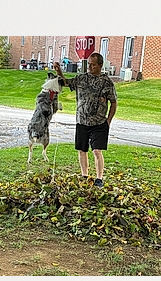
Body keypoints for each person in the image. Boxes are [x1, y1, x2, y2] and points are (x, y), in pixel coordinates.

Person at [62, 52, 118, 186]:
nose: (90, 67)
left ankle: (99, 178)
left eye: (93, 65)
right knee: (82, 150)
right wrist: (59, 71)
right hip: (82, 120)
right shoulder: (81, 78)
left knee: (97, 151)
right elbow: (65, 83)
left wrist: (108, 121)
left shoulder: (106, 82)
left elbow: (114, 103)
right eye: (89, 65)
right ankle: (84, 176)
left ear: (100, 65)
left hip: (99, 122)